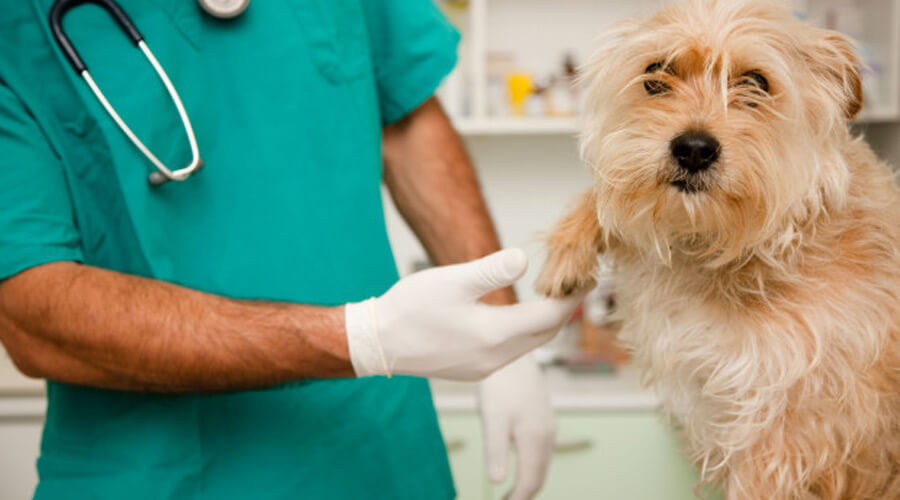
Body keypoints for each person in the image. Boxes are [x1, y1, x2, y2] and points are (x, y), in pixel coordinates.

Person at [0, 1, 581, 499]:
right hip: (157, 474)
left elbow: (406, 118)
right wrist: (361, 336)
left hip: (380, 461)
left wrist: (505, 335)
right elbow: (33, 311)